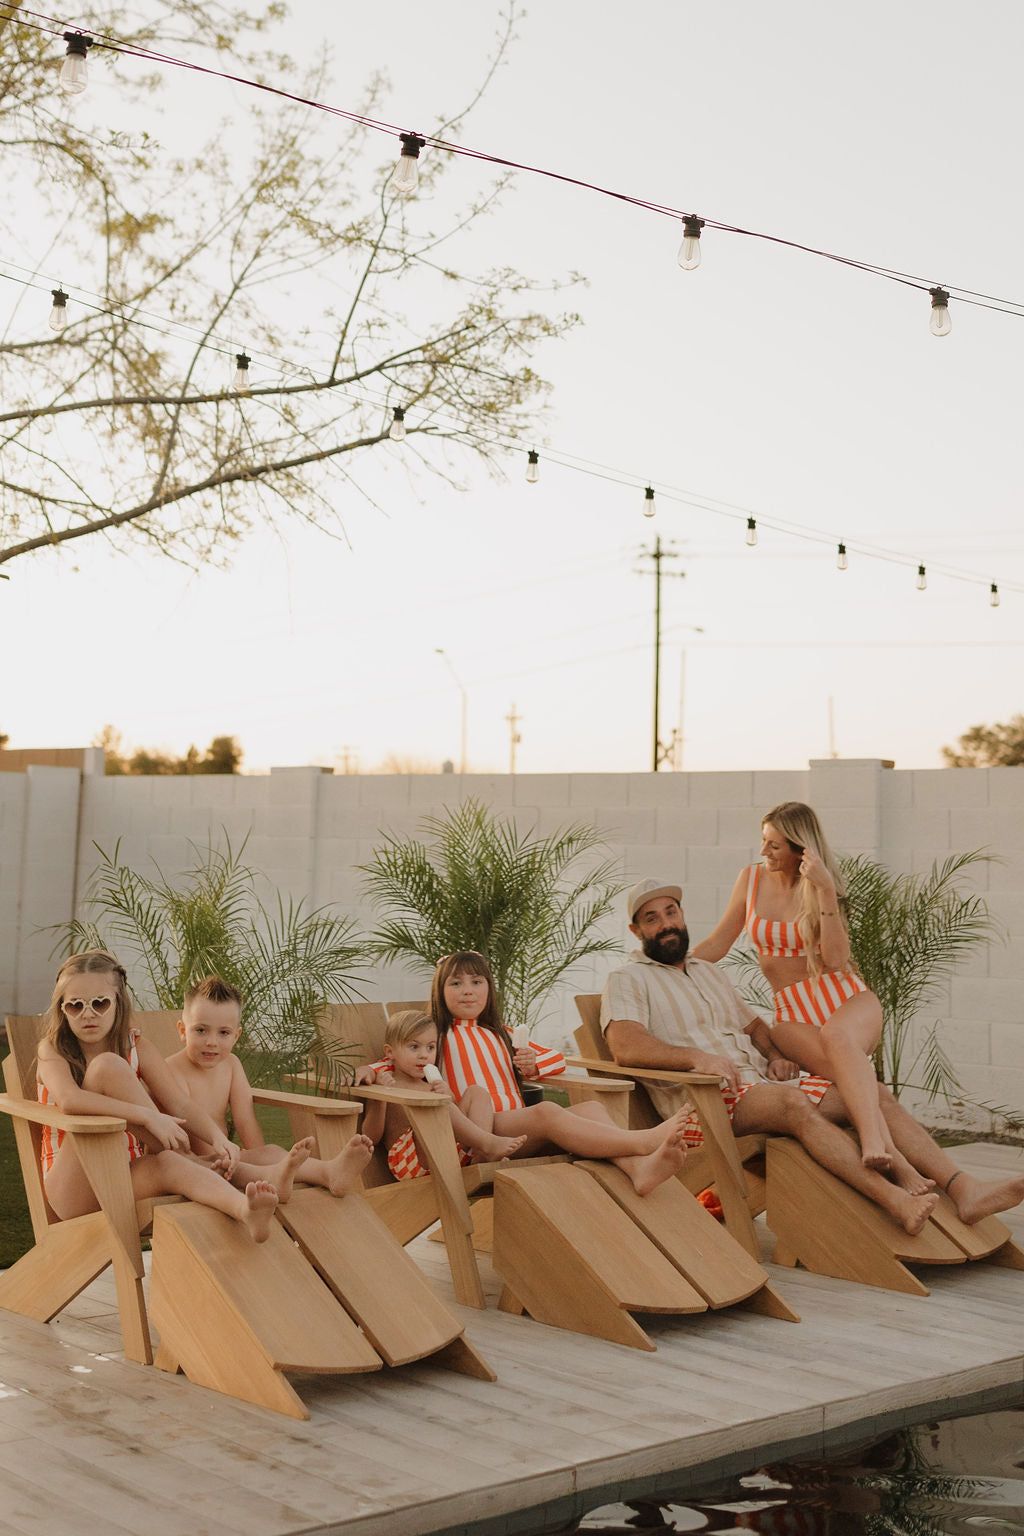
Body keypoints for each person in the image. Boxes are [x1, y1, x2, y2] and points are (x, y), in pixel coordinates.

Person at [601, 882, 1024, 1234]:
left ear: (682, 916)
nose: (666, 924)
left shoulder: (708, 972)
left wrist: (773, 1056)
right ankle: (894, 1199)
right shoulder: (628, 978)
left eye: (671, 912)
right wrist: (696, 1058)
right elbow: (626, 1045)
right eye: (652, 918)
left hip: (761, 1086)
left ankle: (963, 1188)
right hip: (700, 1105)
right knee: (793, 1105)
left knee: (870, 1093)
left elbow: (755, 1028)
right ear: (636, 930)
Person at [691, 802, 916, 1182]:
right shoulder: (750, 880)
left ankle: (879, 1144)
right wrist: (671, 965)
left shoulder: (822, 885)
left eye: (775, 845)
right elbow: (718, 942)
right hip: (793, 1012)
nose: (764, 852)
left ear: (801, 849)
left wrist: (826, 889)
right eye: (764, 842)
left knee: (837, 1037)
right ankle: (903, 1166)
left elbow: (836, 958)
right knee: (855, 1082)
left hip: (844, 998)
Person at [357, 949, 691, 1197]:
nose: (467, 990)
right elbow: (400, 1060)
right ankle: (641, 1139)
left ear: (489, 989)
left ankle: (638, 1169)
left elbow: (557, 1058)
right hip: (480, 1129)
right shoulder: (437, 1035)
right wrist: (367, 1071)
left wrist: (535, 1063)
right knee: (547, 1111)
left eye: (476, 982)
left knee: (593, 1108)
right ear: (440, 991)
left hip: (517, 1128)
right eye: (456, 983)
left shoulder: (503, 1032)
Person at [37, 950, 278, 1241]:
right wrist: (148, 1117)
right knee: (107, 1067)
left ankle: (244, 1209)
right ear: (62, 1009)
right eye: (75, 1005)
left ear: (118, 1002)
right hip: (74, 1191)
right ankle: (207, 1162)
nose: (88, 1013)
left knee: (169, 1164)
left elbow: (180, 1103)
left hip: (124, 1176)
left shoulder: (136, 1046)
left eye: (100, 1003)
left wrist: (218, 1139)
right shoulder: (53, 1050)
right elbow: (70, 1101)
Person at [163, 974, 374, 1197]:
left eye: (223, 1032)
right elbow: (185, 1125)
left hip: (229, 1160)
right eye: (201, 1030)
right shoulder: (170, 1071)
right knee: (257, 1160)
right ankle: (284, 1174)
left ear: (236, 1036)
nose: (212, 1042)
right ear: (183, 1030)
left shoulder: (231, 1065)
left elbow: (245, 1120)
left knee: (270, 1152)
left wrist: (259, 1157)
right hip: (194, 1166)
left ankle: (327, 1173)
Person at [358, 1009, 528, 1178]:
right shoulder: (386, 1084)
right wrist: (380, 1101)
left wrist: (450, 1098)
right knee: (439, 1104)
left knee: (477, 1092)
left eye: (430, 1047)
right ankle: (487, 1143)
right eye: (414, 1047)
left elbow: (453, 1125)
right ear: (390, 1052)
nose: (424, 1055)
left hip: (447, 1155)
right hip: (410, 1162)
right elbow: (370, 1137)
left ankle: (480, 1155)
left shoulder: (429, 1086)